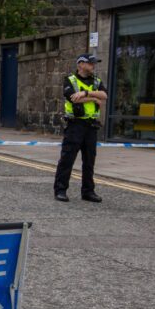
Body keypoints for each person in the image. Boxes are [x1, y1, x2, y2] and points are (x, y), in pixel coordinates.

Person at [54, 54, 107, 203]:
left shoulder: (96, 81)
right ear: (81, 64)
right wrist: (94, 99)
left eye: (94, 64)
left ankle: (88, 192)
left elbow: (104, 95)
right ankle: (60, 190)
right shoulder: (70, 80)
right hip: (75, 125)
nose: (93, 66)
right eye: (90, 63)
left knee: (89, 161)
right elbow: (73, 98)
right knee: (67, 159)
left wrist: (86, 93)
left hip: (91, 126)